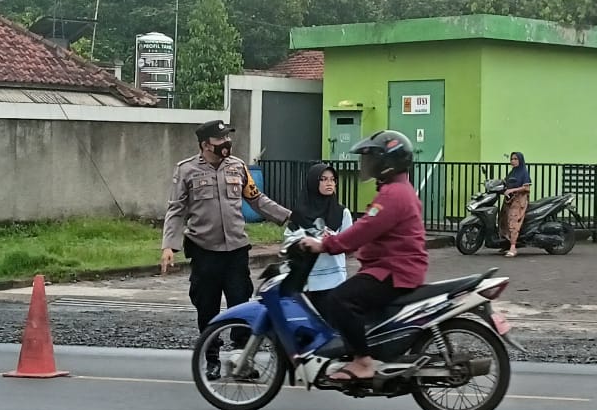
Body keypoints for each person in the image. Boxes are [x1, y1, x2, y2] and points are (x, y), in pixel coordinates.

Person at [161, 120, 307, 380]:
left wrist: (287, 216)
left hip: (236, 250)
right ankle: (212, 359)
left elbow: (256, 199)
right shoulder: (187, 170)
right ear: (206, 144)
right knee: (207, 308)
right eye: (220, 139)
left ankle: (242, 359)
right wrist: (169, 246)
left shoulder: (237, 167)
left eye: (227, 138)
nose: (226, 143)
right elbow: (176, 209)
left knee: (241, 305)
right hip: (205, 251)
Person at [301, 130, 428, 382]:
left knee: (339, 299)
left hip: (393, 270)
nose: (366, 164)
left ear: (387, 163)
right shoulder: (399, 190)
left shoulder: (392, 195)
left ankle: (362, 361)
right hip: (393, 267)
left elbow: (364, 229)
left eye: (371, 159)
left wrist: (325, 244)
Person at [288, 163, 353, 312]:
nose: (329, 183)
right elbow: (288, 241)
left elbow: (349, 244)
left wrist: (331, 240)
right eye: (323, 179)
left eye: (332, 179)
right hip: (306, 280)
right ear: (313, 182)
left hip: (334, 280)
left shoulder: (342, 213)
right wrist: (305, 242)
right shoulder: (299, 213)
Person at [499, 151, 531, 258]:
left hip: (519, 200)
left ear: (520, 160)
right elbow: (505, 182)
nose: (513, 161)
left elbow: (526, 187)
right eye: (512, 159)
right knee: (503, 220)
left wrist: (512, 190)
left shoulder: (523, 172)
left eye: (515, 159)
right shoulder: (512, 172)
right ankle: (506, 244)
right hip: (509, 199)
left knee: (513, 221)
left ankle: (513, 248)